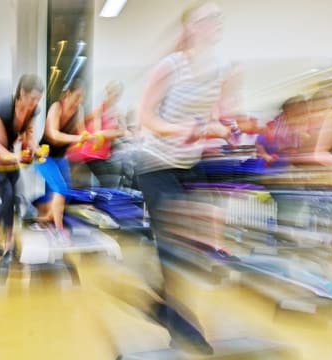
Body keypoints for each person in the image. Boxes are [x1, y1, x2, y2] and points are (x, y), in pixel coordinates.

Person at [135, 1, 239, 355]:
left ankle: (157, 300)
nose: (214, 23)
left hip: (189, 163)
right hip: (155, 163)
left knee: (195, 242)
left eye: (217, 19)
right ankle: (179, 326)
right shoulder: (170, 67)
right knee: (173, 248)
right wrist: (186, 129)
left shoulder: (221, 69)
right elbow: (146, 119)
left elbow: (218, 116)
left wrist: (224, 129)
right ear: (190, 28)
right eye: (205, 18)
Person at [0, 74, 44, 256]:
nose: (34, 103)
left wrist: (36, 151)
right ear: (22, 92)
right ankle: (7, 243)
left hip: (5, 152)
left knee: (14, 188)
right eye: (32, 98)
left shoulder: (32, 111)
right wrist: (15, 157)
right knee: (7, 191)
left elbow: (28, 136)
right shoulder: (2, 110)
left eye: (38, 100)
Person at [35, 78, 94, 241]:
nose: (78, 101)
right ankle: (58, 229)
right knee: (60, 189)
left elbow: (82, 133)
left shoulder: (79, 110)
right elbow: (54, 135)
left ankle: (44, 220)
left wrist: (90, 138)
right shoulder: (56, 108)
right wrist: (78, 139)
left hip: (60, 157)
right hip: (43, 156)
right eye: (77, 96)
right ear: (68, 94)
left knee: (63, 193)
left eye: (82, 98)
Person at [83, 80, 126, 188]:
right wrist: (116, 132)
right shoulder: (99, 109)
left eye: (119, 95)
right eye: (115, 94)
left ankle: (104, 202)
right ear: (108, 93)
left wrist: (117, 132)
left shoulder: (117, 111)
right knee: (109, 183)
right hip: (92, 153)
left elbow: (124, 130)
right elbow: (98, 134)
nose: (116, 98)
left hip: (104, 154)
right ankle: (102, 203)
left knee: (114, 181)